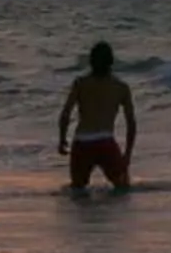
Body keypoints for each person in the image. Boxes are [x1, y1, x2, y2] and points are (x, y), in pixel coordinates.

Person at [58, 42, 137, 193]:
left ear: (91, 62)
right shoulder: (120, 87)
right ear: (111, 62)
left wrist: (62, 140)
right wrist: (127, 155)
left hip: (82, 142)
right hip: (105, 142)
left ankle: (80, 216)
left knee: (77, 190)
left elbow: (65, 114)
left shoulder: (80, 84)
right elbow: (131, 124)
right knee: (123, 187)